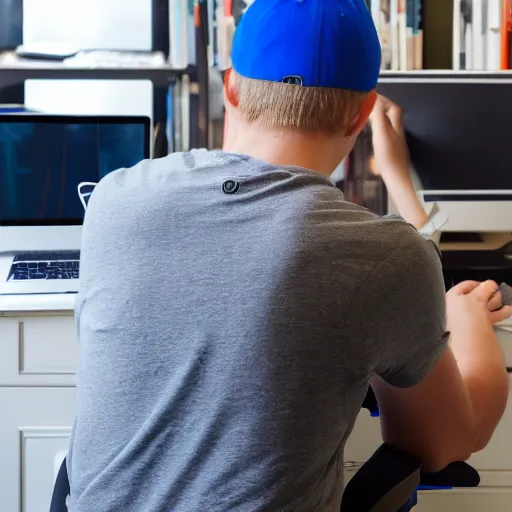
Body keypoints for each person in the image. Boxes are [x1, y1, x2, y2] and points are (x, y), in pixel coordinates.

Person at [66, 1, 510, 511]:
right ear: (362, 113)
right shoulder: (384, 259)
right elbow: (443, 444)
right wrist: (470, 322)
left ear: (229, 85)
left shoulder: (115, 198)